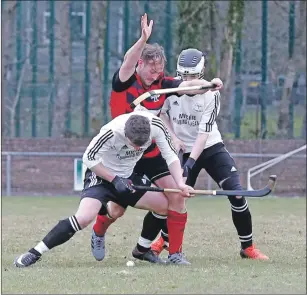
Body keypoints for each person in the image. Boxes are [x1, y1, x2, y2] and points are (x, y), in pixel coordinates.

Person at [90, 13, 223, 265]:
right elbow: (128, 61)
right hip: (123, 155)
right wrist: (142, 39)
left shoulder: (162, 82)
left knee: (176, 196)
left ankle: (175, 254)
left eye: (159, 71)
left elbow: (187, 87)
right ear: (140, 64)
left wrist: (210, 84)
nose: (155, 76)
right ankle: (98, 231)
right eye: (151, 70)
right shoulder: (125, 81)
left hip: (151, 153)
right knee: (116, 210)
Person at [14, 111, 194, 268]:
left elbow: (171, 156)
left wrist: (180, 184)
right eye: (134, 145)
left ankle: (142, 249)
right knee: (83, 218)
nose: (138, 148)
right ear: (125, 133)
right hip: (100, 176)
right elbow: (89, 158)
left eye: (142, 144)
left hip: (128, 176)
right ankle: (35, 252)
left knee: (164, 206)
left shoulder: (155, 126)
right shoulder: (111, 132)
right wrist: (114, 180)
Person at [150, 48, 269, 260]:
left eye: (193, 76)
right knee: (175, 198)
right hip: (183, 149)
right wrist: (174, 139)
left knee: (237, 194)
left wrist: (190, 164)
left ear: (202, 72)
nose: (188, 81)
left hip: (210, 148)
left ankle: (247, 247)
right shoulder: (169, 89)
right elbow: (161, 115)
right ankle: (163, 241)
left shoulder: (211, 95)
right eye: (184, 76)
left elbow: (203, 135)